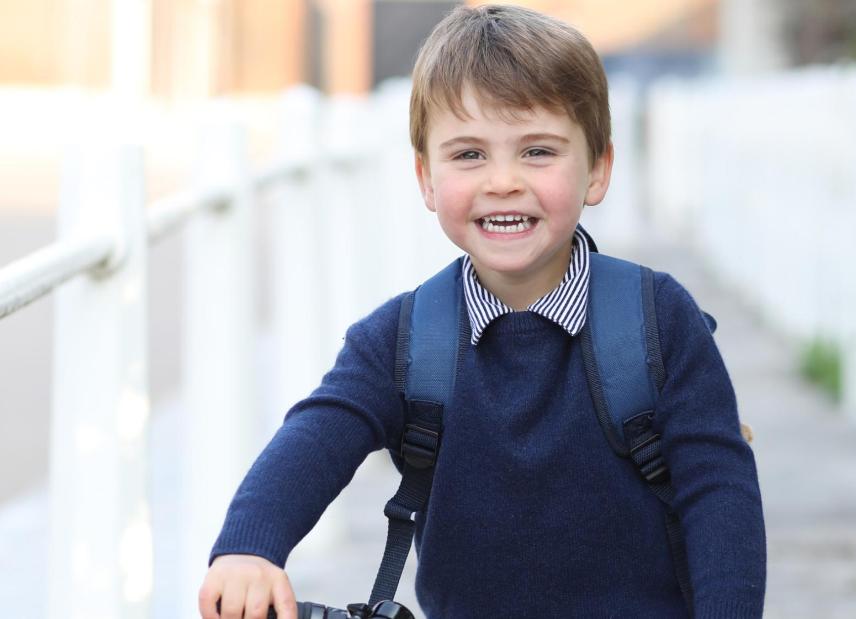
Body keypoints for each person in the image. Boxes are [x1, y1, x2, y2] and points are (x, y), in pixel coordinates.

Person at [198, 5, 766, 618]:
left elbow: (720, 489)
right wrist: (250, 547)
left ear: (598, 169)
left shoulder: (659, 321)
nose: (502, 181)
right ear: (426, 178)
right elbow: (317, 433)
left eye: (538, 152)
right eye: (468, 155)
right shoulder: (402, 341)